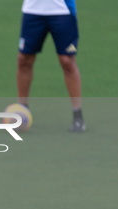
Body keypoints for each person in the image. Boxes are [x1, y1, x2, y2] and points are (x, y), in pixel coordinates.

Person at [16, 0, 85, 132]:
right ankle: (22, 110)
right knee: (24, 59)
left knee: (67, 61)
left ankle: (78, 116)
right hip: (32, 8)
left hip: (62, 9)